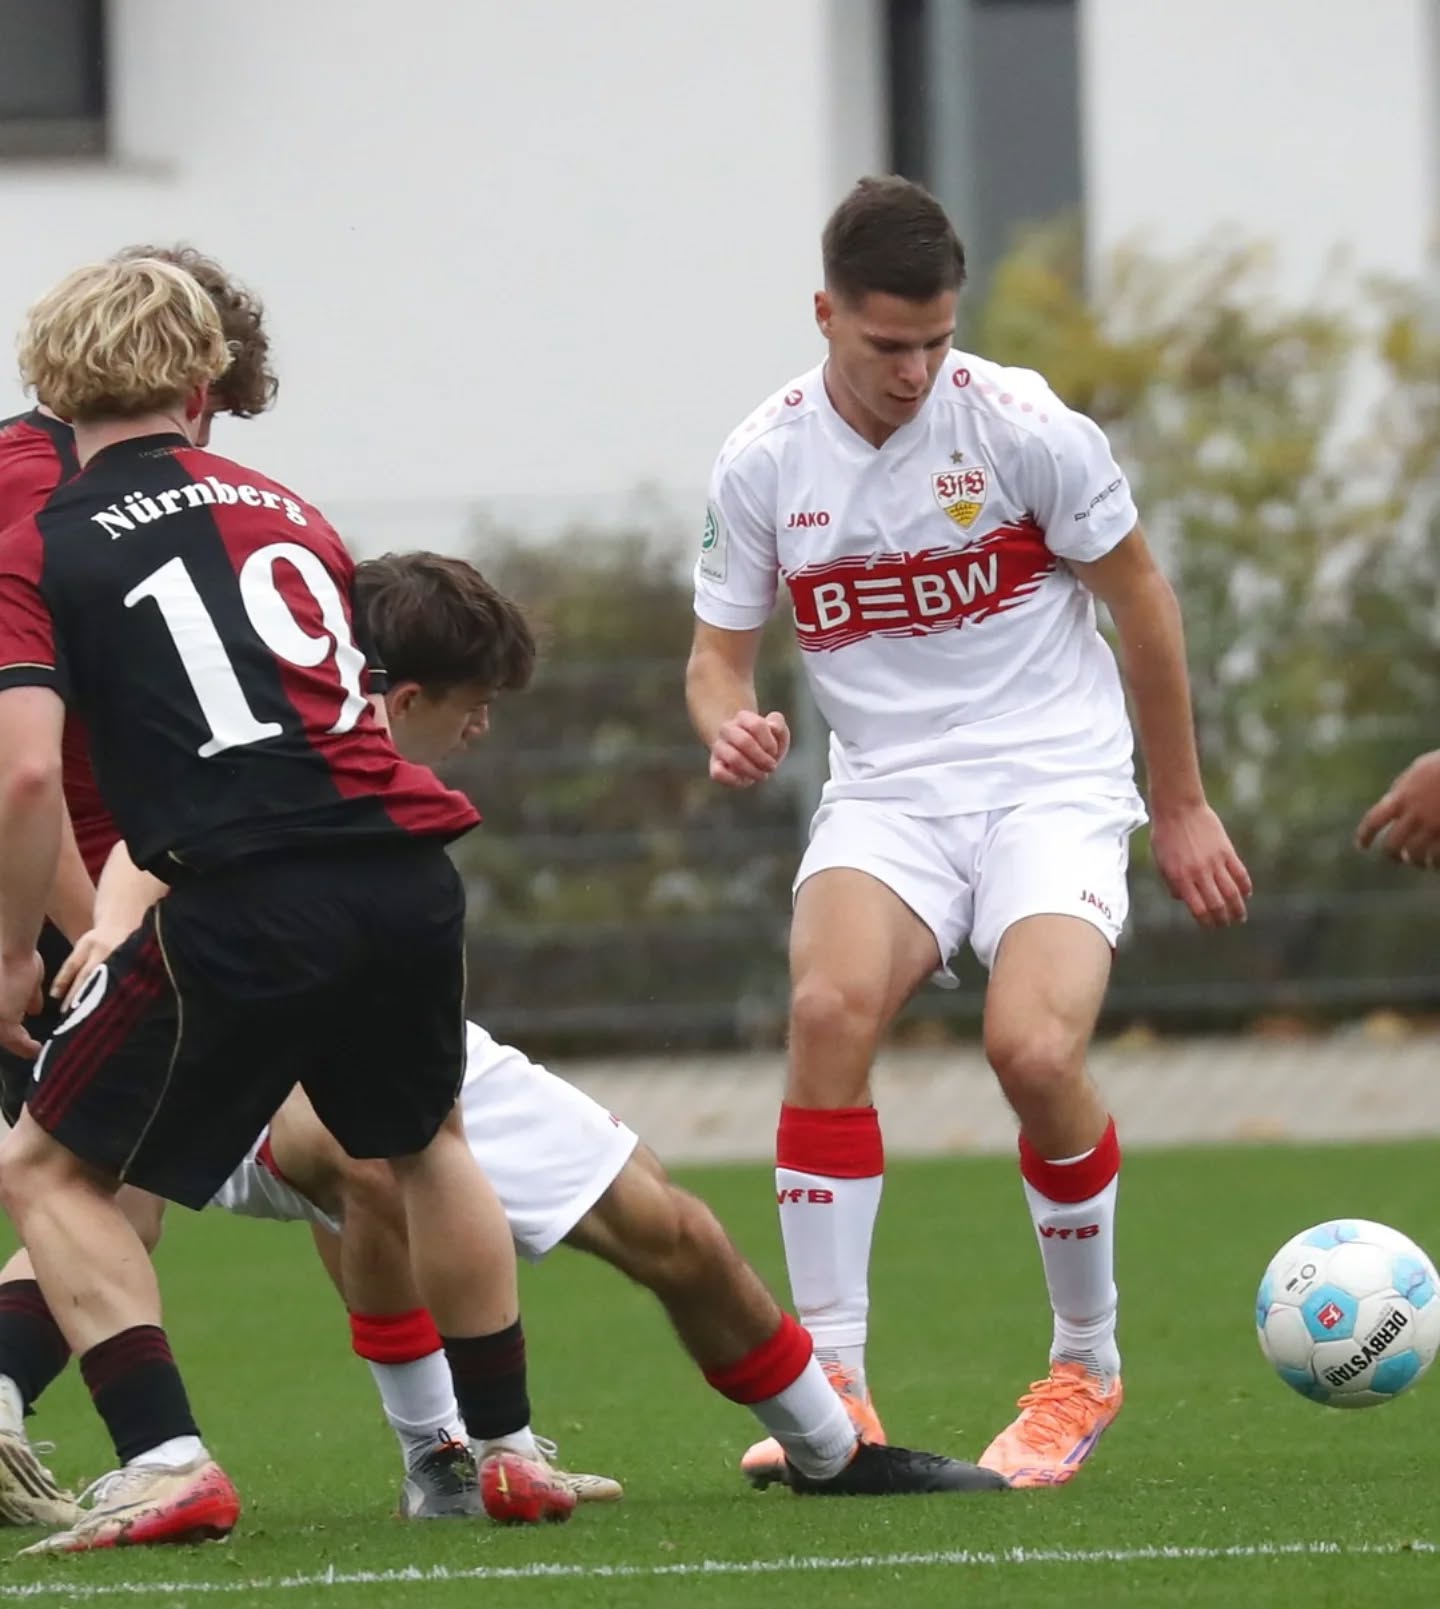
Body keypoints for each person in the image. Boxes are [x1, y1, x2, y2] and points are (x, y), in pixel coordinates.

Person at [83, 551, 1014, 1511]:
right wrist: (111, 938)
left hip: (401, 1042)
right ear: (398, 701)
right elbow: (145, 853)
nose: (484, 724)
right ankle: (445, 1456)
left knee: (669, 1223)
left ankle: (828, 1449)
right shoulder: (264, 756)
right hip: (262, 1073)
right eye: (471, 700)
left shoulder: (381, 801)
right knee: (359, 1158)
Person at [0, 250, 612, 1531]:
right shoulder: (291, 509)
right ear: (203, 380)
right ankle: (504, 1443)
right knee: (425, 1143)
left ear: (52, 382)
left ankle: (165, 1457)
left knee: (55, 1169)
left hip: (240, 896)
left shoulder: (46, 542)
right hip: (401, 871)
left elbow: (21, 779)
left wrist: (18, 950)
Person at [685, 176, 1251, 1490]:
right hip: (889, 795)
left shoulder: (1022, 426)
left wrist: (1178, 801)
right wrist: (732, 721)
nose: (915, 369)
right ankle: (834, 1379)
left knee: (1033, 1049)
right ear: (825, 313)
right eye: (887, 344)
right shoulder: (761, 458)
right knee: (827, 1008)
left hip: (1053, 780)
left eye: (936, 339)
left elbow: (1144, 601)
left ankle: (1084, 1363)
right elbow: (717, 660)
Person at [0, 245, 281, 1531]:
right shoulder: (56, 503)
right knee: (86, 1179)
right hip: (56, 887)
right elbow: (24, 769)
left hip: (104, 880)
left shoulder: (77, 478)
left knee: (109, 1188)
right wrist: (71, 935)